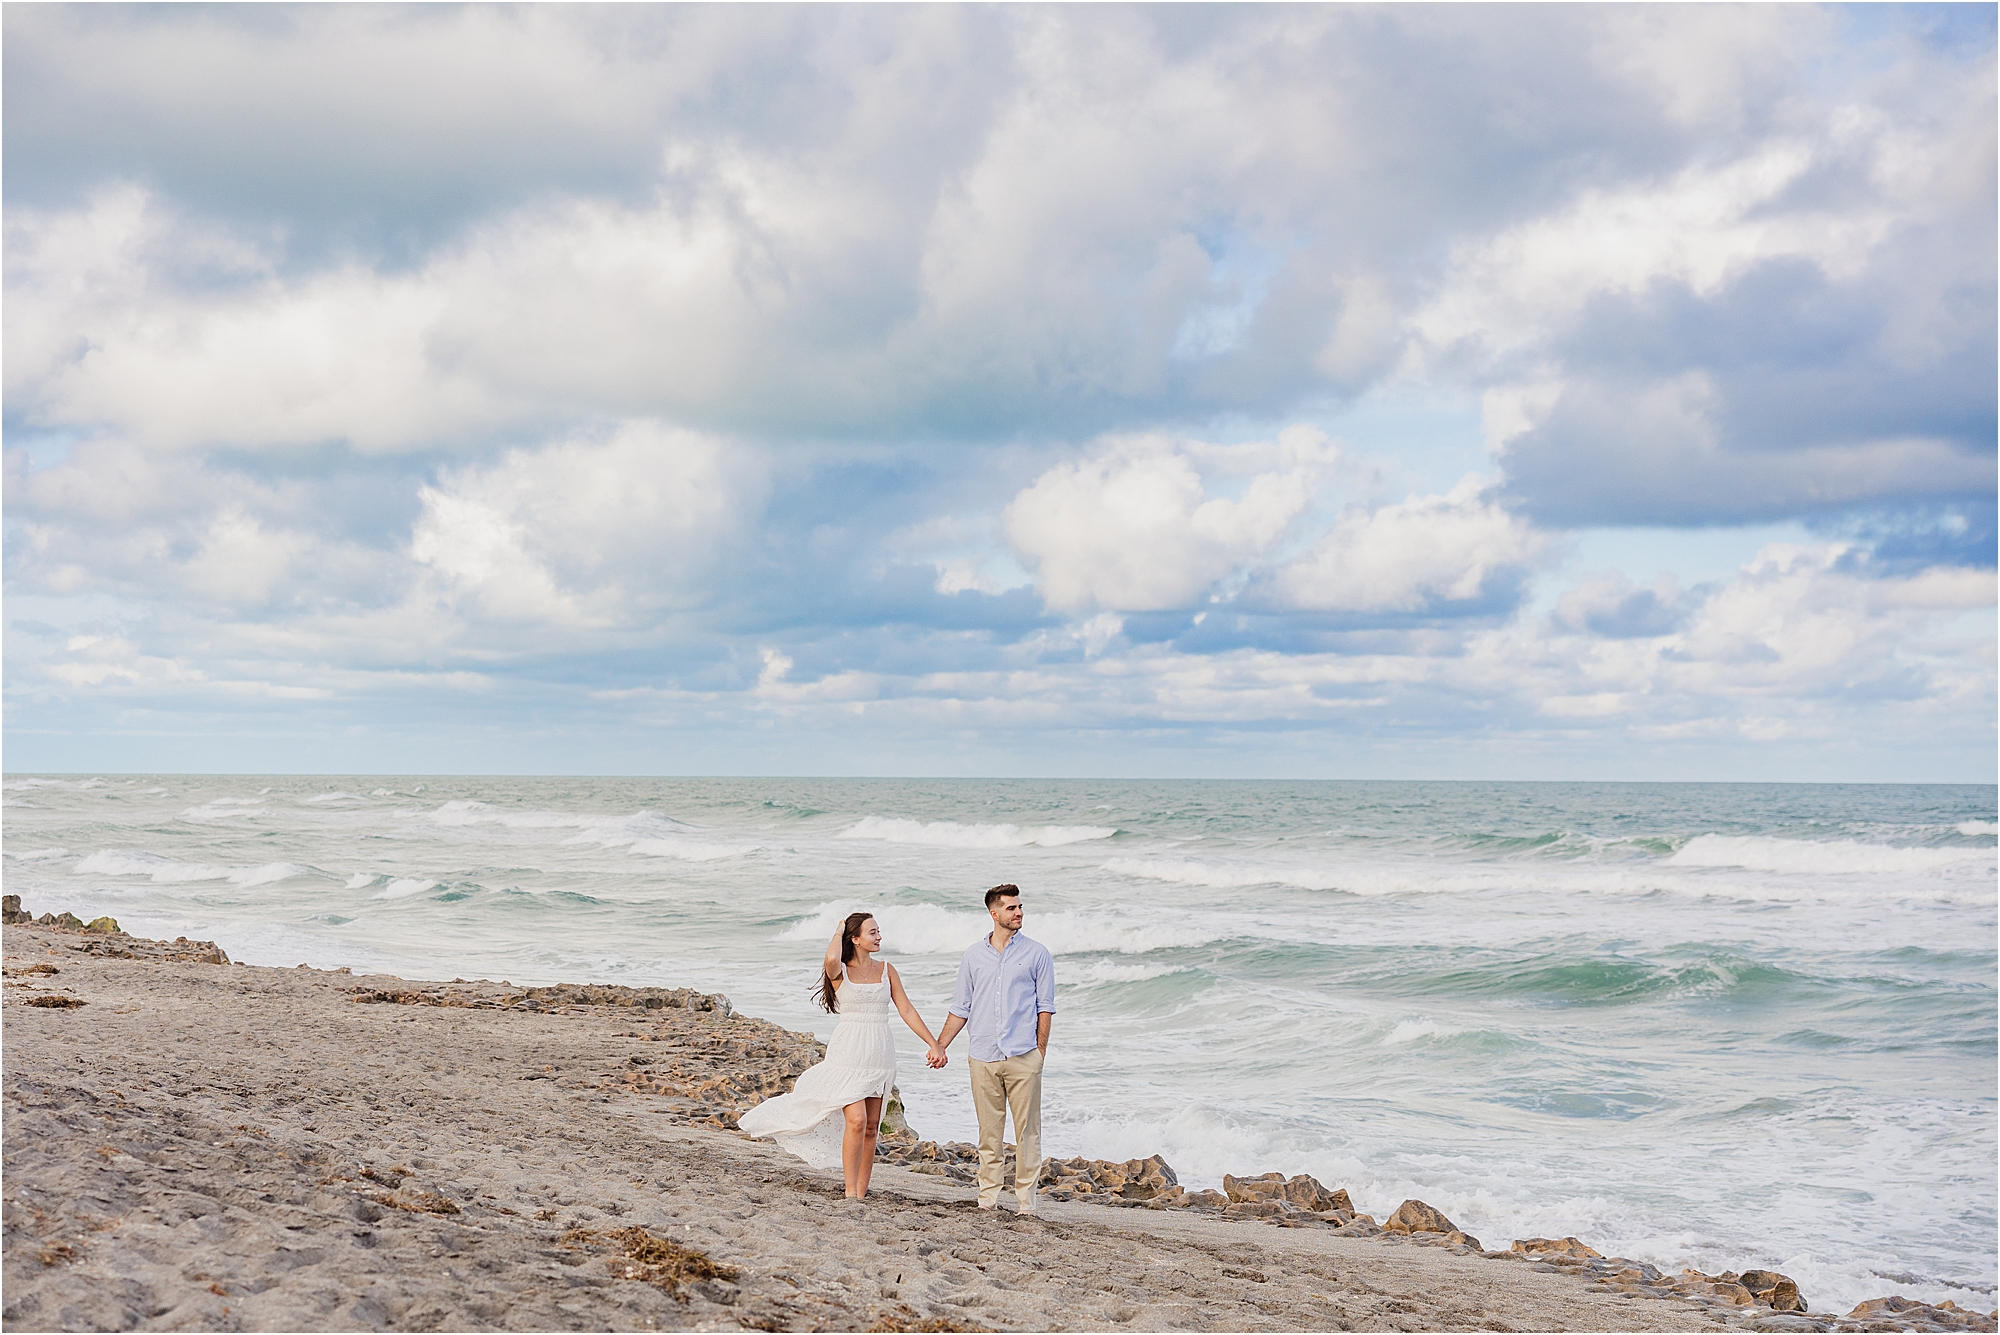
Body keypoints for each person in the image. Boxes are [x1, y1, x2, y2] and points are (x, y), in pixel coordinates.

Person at [737, 912, 948, 1199]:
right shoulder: (840, 972)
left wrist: (934, 1044)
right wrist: (839, 930)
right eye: (872, 932)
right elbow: (830, 959)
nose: (879, 937)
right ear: (855, 939)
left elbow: (907, 1010)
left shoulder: (887, 970)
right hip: (848, 1054)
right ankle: (850, 1191)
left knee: (871, 1128)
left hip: (880, 1053)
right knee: (857, 1120)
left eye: (879, 931)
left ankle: (861, 1192)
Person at [933, 884, 1056, 1215]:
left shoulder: (1037, 954)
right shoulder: (973, 955)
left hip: (1023, 1055)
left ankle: (1026, 1204)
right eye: (1011, 908)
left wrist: (1039, 1053)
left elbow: (1045, 1006)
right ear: (994, 913)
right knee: (989, 1134)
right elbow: (961, 1007)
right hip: (983, 1055)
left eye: (1020, 907)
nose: (1019, 913)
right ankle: (987, 1199)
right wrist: (940, 1045)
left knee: (1028, 1134)